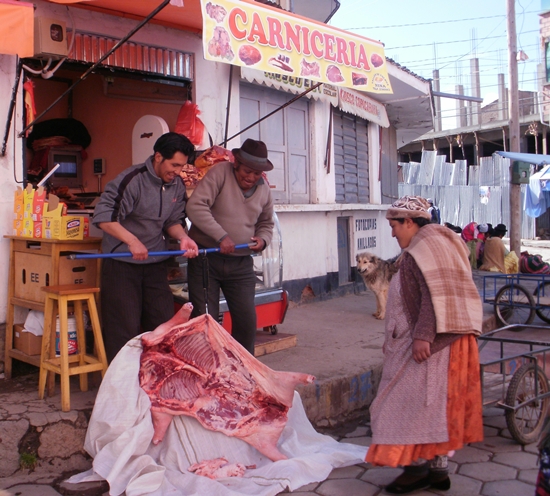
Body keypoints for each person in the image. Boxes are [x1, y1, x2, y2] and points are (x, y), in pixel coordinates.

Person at [366, 195, 484, 494]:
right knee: (435, 408)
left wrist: (423, 337)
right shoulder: (436, 242)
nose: (392, 233)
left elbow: (435, 296)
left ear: (409, 222)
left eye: (394, 225)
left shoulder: (424, 249)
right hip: (445, 341)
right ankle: (438, 470)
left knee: (403, 405)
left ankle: (416, 469)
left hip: (432, 343)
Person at [92, 132, 199, 362]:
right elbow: (103, 217)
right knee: (123, 328)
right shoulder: (132, 180)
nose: (178, 172)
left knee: (162, 323)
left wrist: (183, 238)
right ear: (158, 157)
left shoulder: (177, 184)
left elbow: (173, 221)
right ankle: (122, 387)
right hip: (121, 264)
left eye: (182, 166)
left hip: (155, 263)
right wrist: (132, 241)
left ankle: (157, 381)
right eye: (174, 165)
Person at [185, 138, 274, 354]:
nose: (251, 177)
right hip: (207, 259)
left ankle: (244, 374)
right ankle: (207, 373)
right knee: (205, 321)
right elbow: (195, 207)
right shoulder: (219, 173)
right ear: (237, 163)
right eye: (247, 171)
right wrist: (221, 236)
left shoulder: (264, 190)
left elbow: (266, 223)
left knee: (246, 322)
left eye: (256, 173)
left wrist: (262, 240)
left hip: (241, 264)